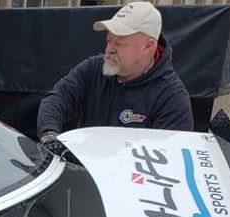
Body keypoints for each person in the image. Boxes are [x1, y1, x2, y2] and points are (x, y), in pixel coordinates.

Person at [37, 2, 192, 156]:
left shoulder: (171, 98)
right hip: (83, 169)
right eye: (109, 40)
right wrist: (49, 133)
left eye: (120, 43)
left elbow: (170, 159)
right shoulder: (93, 69)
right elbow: (57, 99)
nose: (110, 49)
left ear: (148, 47)